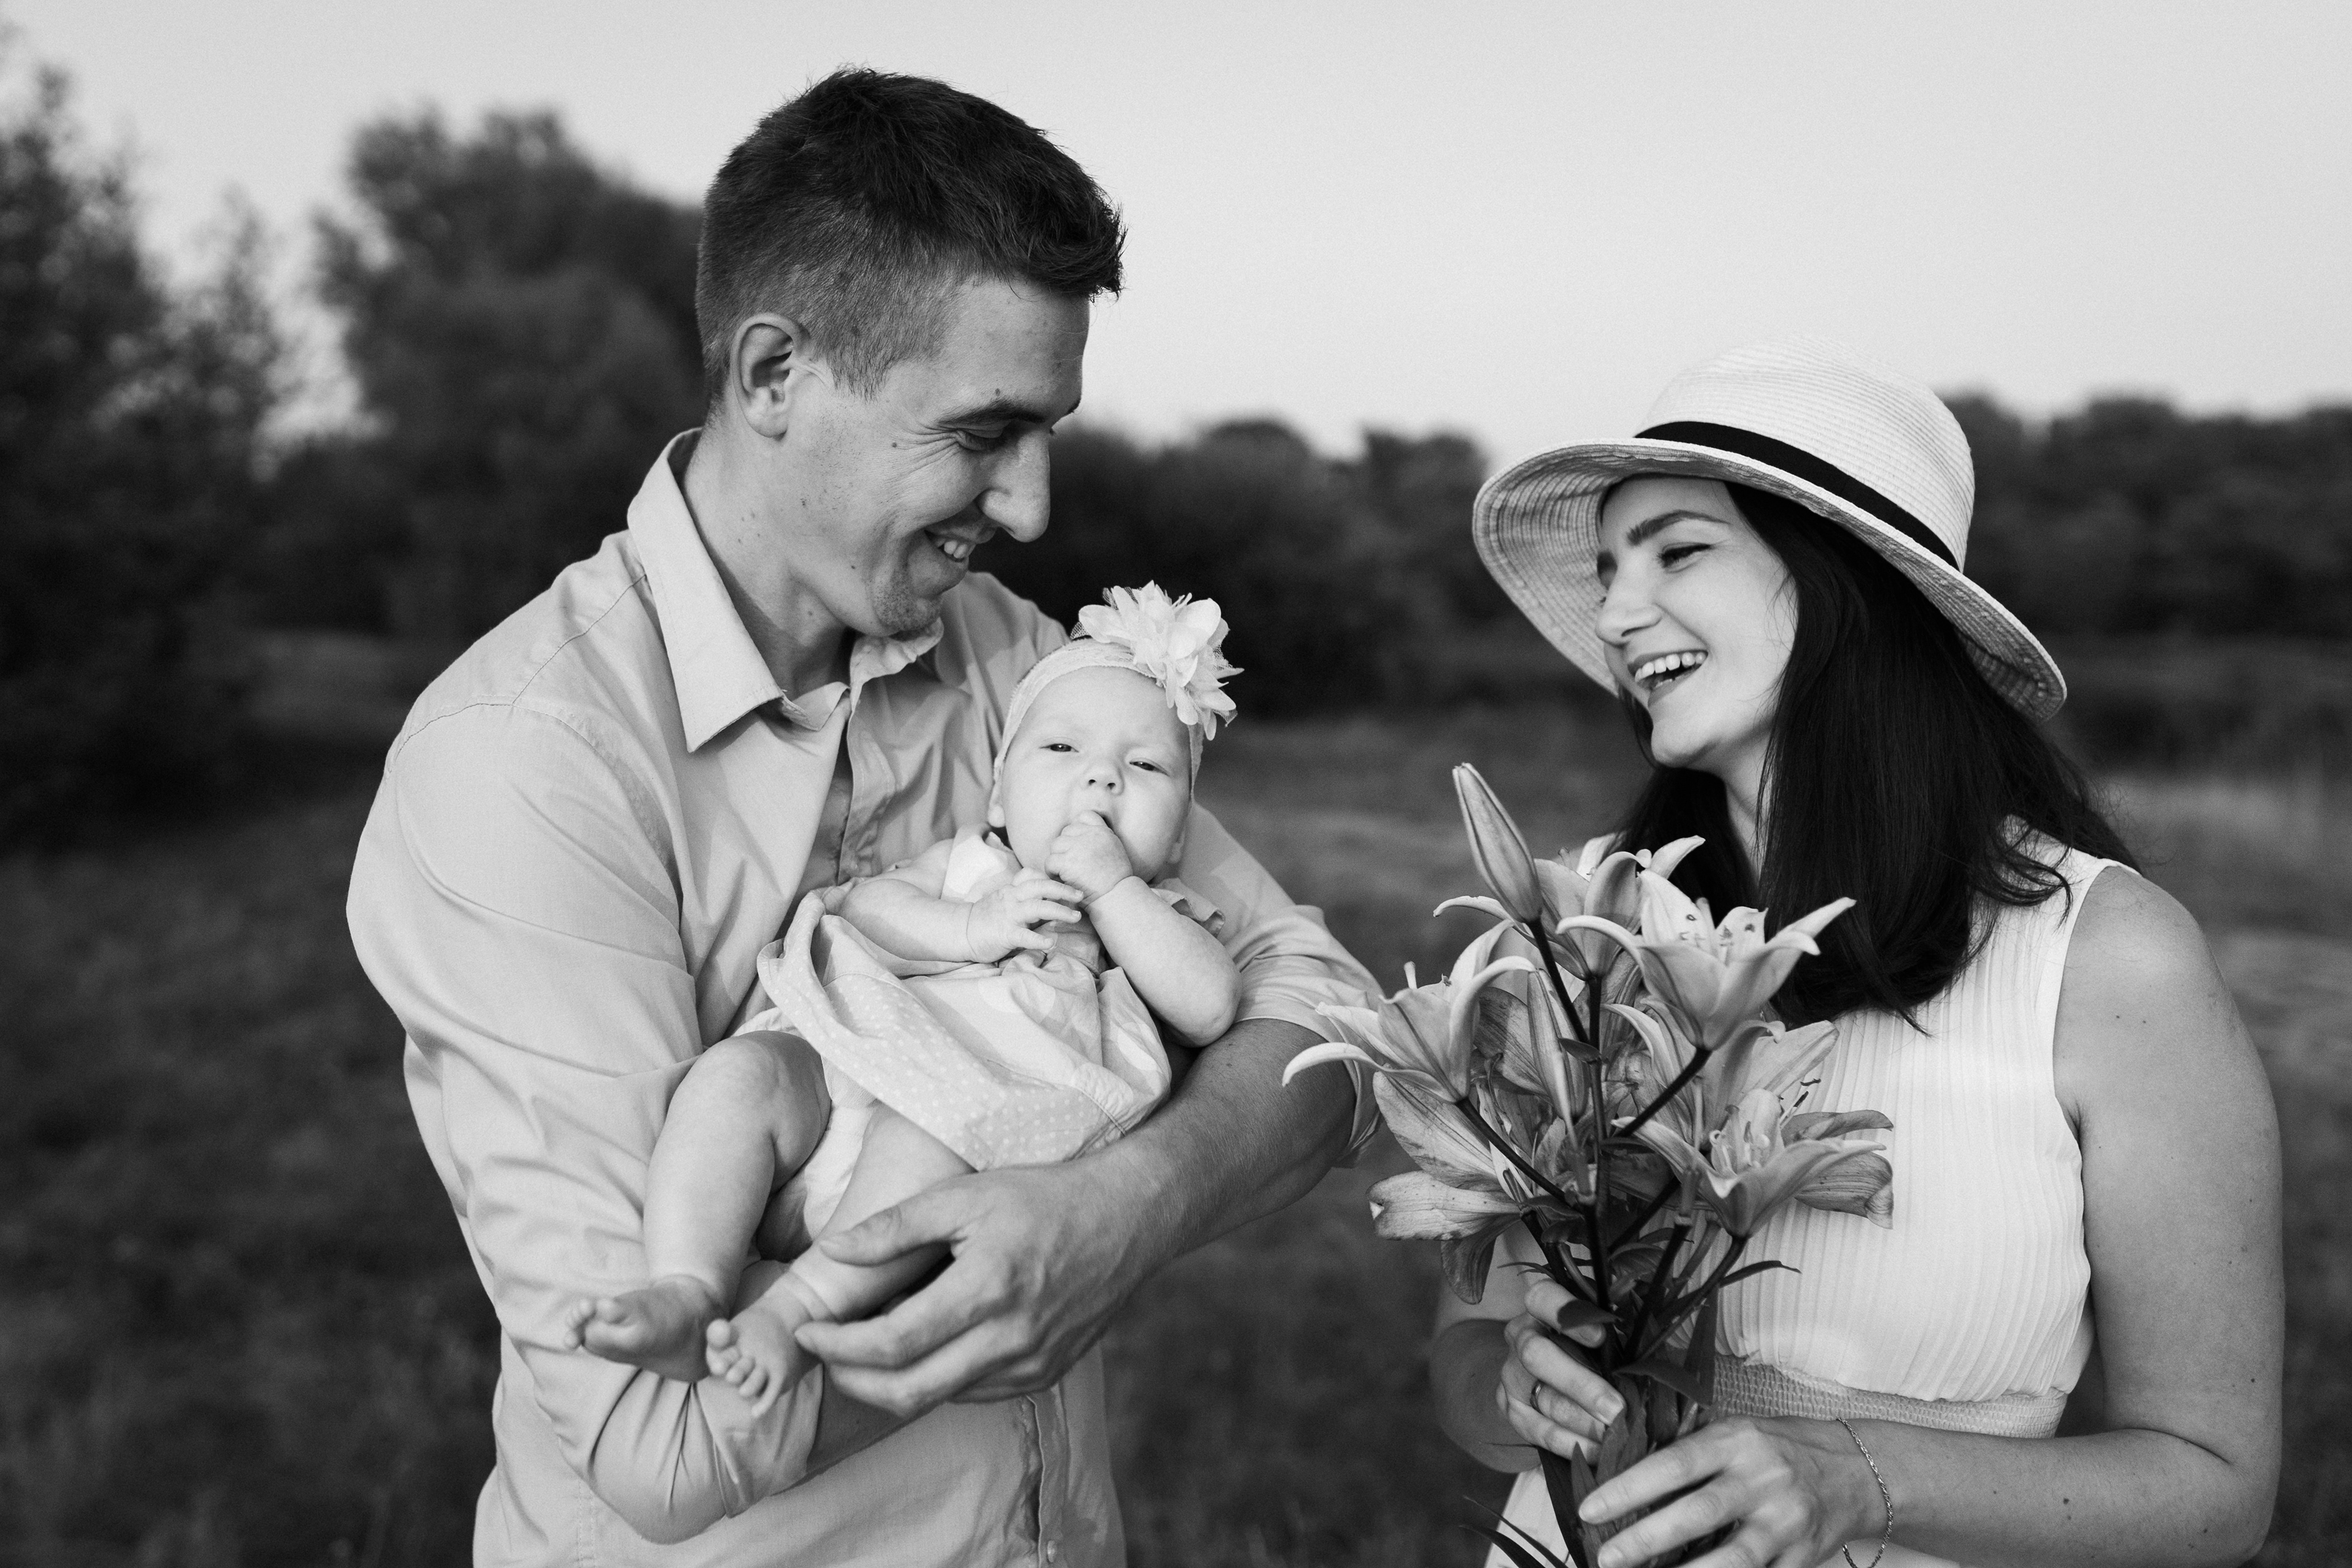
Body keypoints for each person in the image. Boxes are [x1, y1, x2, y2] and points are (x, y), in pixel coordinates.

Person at [347, 71, 1374, 1565]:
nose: (1030, 506)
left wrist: (1124, 1209)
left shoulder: (1022, 665)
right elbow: (662, 1443)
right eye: (984, 432)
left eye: (1047, 433)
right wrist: (995, 1271)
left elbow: (1331, 1030)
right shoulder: (525, 764)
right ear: (775, 373)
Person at [1430, 339, 2282, 1567]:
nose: (1614, 615)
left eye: (1678, 551)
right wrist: (1512, 1384)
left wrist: (1855, 1481)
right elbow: (1465, 1354)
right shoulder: (1586, 930)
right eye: (1609, 570)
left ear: (1848, 585)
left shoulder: (2108, 962)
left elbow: (2217, 1487)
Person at [562, 588, 1246, 1421]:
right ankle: (687, 1283)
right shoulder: (973, 868)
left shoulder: (1150, 920)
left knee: (930, 1129)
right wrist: (971, 926)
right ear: (1000, 798)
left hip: (947, 1129)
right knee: (741, 1074)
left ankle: (799, 1308)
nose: (1101, 776)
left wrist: (1114, 893)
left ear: (1177, 837)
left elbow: (1210, 1006)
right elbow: (868, 909)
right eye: (1062, 747)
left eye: (1145, 767)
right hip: (843, 1078)